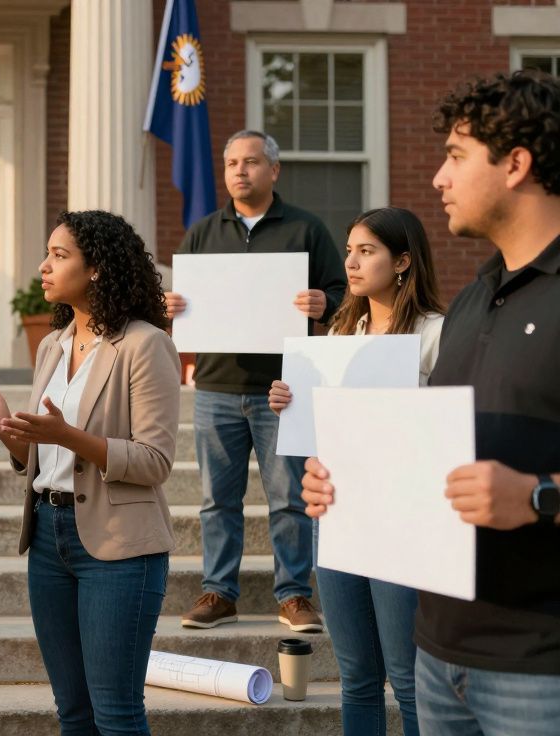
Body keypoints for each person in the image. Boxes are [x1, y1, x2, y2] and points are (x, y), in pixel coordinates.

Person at [304, 70, 560, 736]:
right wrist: (347, 481)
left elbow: (529, 489)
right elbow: (432, 455)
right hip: (440, 656)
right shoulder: (474, 300)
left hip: (539, 669)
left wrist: (540, 497)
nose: (439, 179)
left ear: (515, 163)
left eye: (454, 156)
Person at [0, 210, 179, 735]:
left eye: (59, 255)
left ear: (96, 268)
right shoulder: (51, 346)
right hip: (49, 541)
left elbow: (154, 461)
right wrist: (6, 431)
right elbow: (43, 454)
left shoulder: (144, 344)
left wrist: (68, 437)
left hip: (118, 547)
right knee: (72, 712)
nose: (43, 266)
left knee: (117, 713)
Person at [268, 207, 445, 735]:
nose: (350, 261)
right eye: (349, 250)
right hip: (339, 512)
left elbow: (451, 425)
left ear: (403, 262)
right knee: (357, 677)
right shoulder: (346, 328)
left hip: (400, 516)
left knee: (407, 676)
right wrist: (292, 401)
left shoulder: (437, 333)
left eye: (367, 251)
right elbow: (326, 426)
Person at [166, 130, 347, 632]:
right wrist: (172, 306)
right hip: (217, 387)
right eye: (230, 163)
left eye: (250, 162)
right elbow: (182, 299)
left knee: (289, 498)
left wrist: (323, 303)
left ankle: (293, 596)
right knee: (216, 500)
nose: (239, 171)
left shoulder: (306, 230)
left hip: (283, 389)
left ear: (274, 170)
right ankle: (219, 593)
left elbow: (341, 291)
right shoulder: (204, 232)